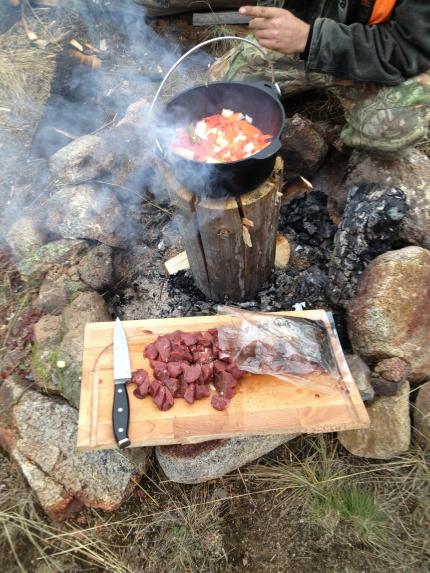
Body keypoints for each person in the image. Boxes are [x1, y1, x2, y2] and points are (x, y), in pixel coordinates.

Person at [209, 1, 430, 157]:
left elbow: (410, 49)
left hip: (383, 57)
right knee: (222, 83)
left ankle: (340, 147)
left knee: (389, 130)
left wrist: (311, 39)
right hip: (309, 35)